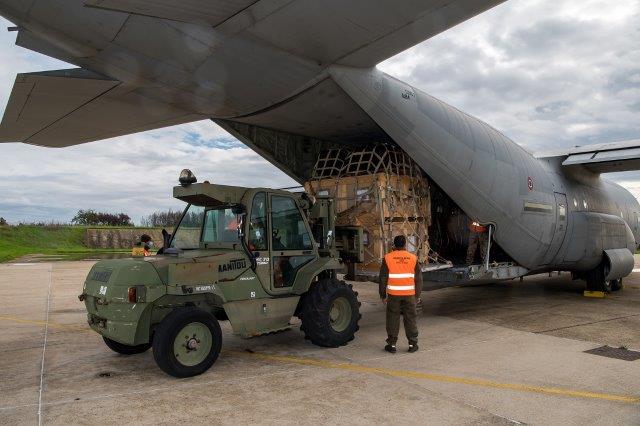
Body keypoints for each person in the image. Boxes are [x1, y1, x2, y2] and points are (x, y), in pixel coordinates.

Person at [378, 235, 422, 353]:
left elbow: (383, 278)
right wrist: (417, 296)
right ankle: (412, 344)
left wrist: (383, 295)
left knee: (393, 318)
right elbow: (418, 279)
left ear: (394, 245)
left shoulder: (388, 258)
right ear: (405, 245)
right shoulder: (413, 258)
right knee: (410, 318)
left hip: (393, 295)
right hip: (409, 295)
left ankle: (392, 345)